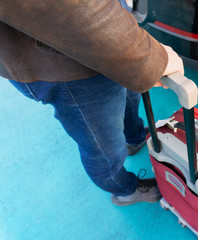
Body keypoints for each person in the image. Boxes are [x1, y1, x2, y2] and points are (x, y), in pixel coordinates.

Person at [0, 0, 184, 206]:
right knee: (103, 145)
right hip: (65, 60)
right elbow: (71, 6)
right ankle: (125, 191)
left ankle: (135, 139)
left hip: (106, 28)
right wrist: (149, 60)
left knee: (129, 96)